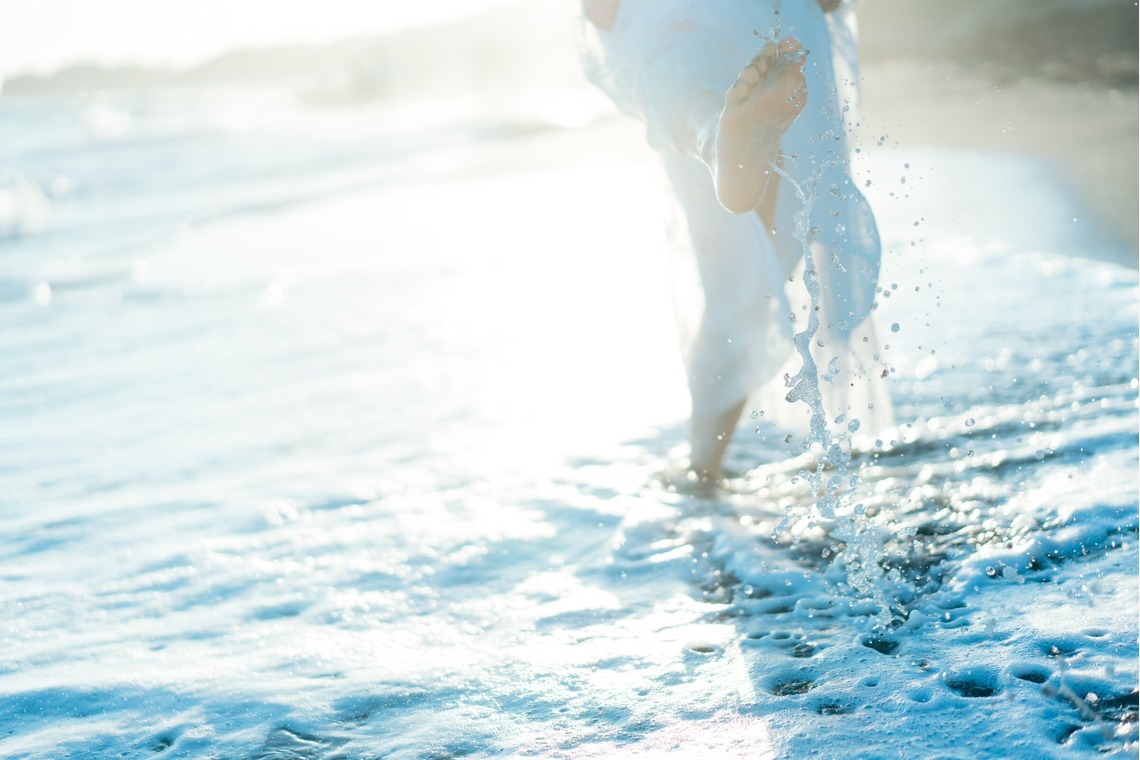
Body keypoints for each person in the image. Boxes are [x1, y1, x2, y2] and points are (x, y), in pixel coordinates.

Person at [580, 0, 888, 483]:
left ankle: (714, 142)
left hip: (660, 17)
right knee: (758, 268)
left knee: (680, 76)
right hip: (773, 16)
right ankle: (727, 149)